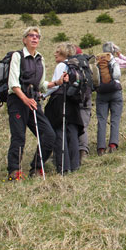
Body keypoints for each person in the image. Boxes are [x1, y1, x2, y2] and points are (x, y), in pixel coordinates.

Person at [6, 27, 62, 180]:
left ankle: (37, 167)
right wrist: (25, 99)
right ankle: (14, 171)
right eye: (31, 36)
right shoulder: (17, 56)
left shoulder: (40, 58)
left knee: (49, 134)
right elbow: (13, 84)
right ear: (24, 39)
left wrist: (57, 82)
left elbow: (41, 84)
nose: (35, 38)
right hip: (17, 101)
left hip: (33, 101)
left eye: (37, 36)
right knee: (19, 137)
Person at [43, 42, 88, 173]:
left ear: (63, 52)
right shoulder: (76, 65)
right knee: (72, 133)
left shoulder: (62, 65)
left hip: (60, 102)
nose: (55, 54)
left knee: (60, 132)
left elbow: (57, 84)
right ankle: (75, 165)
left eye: (57, 51)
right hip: (73, 102)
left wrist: (41, 95)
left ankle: (63, 166)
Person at [95, 42, 124, 155]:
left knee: (101, 120)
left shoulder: (97, 60)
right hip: (115, 92)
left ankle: (101, 148)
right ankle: (113, 145)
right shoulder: (112, 59)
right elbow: (117, 75)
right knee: (115, 119)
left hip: (101, 93)